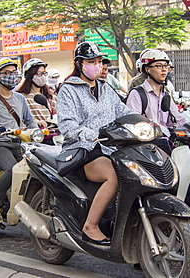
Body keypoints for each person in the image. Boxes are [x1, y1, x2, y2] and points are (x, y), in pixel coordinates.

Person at [57, 41, 133, 245]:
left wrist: (146, 123)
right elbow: (66, 124)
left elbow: (123, 112)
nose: (97, 65)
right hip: (82, 149)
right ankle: (90, 225)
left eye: (99, 61)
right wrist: (90, 134)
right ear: (79, 64)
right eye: (91, 61)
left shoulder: (106, 88)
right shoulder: (68, 89)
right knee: (114, 176)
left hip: (110, 147)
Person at [0, 58, 38, 223]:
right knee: (13, 169)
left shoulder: (19, 98)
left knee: (36, 169)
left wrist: (36, 131)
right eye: (6, 73)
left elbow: (30, 120)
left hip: (17, 143)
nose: (11, 76)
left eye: (14, 72)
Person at [126, 49, 186, 154]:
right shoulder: (137, 93)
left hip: (166, 144)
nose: (164, 70)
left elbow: (177, 119)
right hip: (147, 147)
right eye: (158, 66)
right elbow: (133, 124)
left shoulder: (166, 94)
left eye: (166, 66)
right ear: (147, 69)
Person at [17, 58, 57, 129]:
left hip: (52, 134)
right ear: (29, 75)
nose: (42, 76)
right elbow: (19, 119)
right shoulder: (21, 97)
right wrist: (35, 122)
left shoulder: (51, 96)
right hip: (33, 135)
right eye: (38, 73)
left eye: (44, 73)